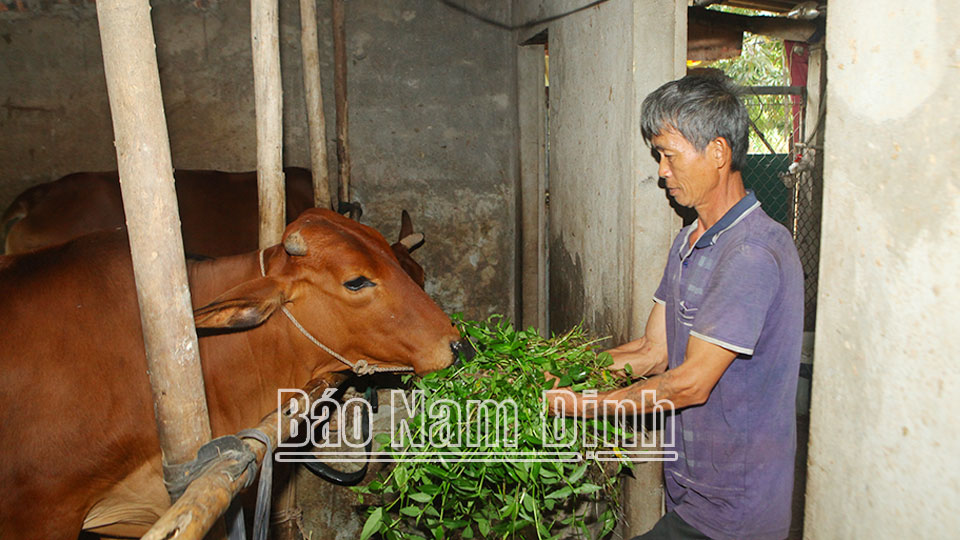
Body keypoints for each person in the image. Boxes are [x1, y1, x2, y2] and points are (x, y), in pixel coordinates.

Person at [546, 75, 804, 540]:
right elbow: (651, 352)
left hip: (736, 510)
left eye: (669, 155)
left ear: (718, 152)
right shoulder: (688, 241)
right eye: (658, 157)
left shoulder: (751, 253)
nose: (662, 171)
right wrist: (557, 373)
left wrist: (579, 404)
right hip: (692, 493)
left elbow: (690, 384)